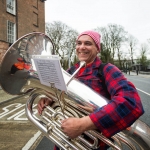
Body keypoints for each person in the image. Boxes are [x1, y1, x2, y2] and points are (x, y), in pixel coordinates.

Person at [37, 31, 144, 150]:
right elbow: (60, 99)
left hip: (91, 144)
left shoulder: (107, 70)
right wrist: (49, 100)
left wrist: (83, 124)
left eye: (88, 43)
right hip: (62, 141)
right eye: (79, 43)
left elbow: (131, 102)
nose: (82, 47)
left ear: (97, 49)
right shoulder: (70, 71)